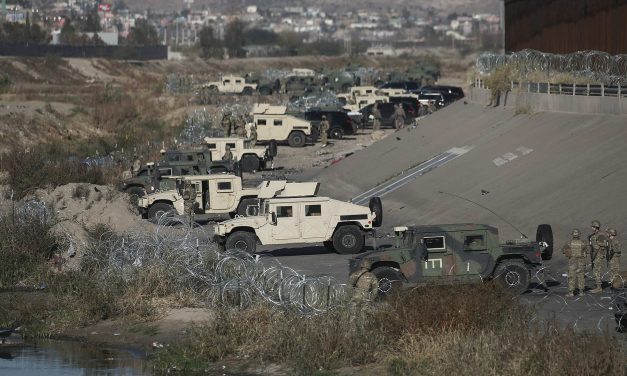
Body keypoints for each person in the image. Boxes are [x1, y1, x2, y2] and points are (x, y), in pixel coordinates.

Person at [562, 229, 588, 297]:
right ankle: (581, 291)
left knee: (571, 277)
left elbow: (563, 251)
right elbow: (586, 252)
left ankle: (571, 292)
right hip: (581, 261)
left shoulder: (569, 243)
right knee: (581, 276)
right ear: (579, 234)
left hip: (572, 261)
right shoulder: (583, 243)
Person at [588, 219, 609, 293]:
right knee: (595, 271)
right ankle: (598, 286)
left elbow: (602, 245)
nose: (592, 228)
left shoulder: (600, 235)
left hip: (598, 255)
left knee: (597, 271)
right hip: (596, 255)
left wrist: (593, 256)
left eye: (592, 227)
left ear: (595, 227)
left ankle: (599, 287)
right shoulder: (596, 235)